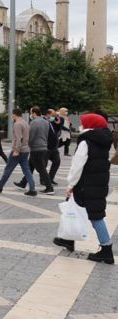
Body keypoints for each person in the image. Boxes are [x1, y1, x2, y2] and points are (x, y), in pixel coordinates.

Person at [53, 113, 114, 264]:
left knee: (95, 216)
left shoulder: (86, 141)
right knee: (79, 210)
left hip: (85, 184)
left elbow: (77, 165)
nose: (80, 125)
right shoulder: (103, 139)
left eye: (83, 122)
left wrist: (70, 184)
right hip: (97, 183)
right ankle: (67, 239)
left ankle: (106, 250)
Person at [0, 108, 37, 196]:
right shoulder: (25, 123)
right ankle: (32, 189)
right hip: (25, 150)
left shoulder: (17, 124)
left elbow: (19, 138)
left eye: (12, 114)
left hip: (18, 150)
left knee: (8, 169)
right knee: (27, 170)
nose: (11, 116)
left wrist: (16, 150)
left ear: (14, 114)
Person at [28, 106, 53, 194]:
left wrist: (28, 144)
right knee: (30, 166)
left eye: (31, 113)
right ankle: (23, 183)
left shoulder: (34, 123)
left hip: (36, 148)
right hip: (43, 147)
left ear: (34, 113)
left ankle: (49, 188)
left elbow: (31, 136)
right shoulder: (46, 122)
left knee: (41, 169)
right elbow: (47, 134)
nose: (31, 115)